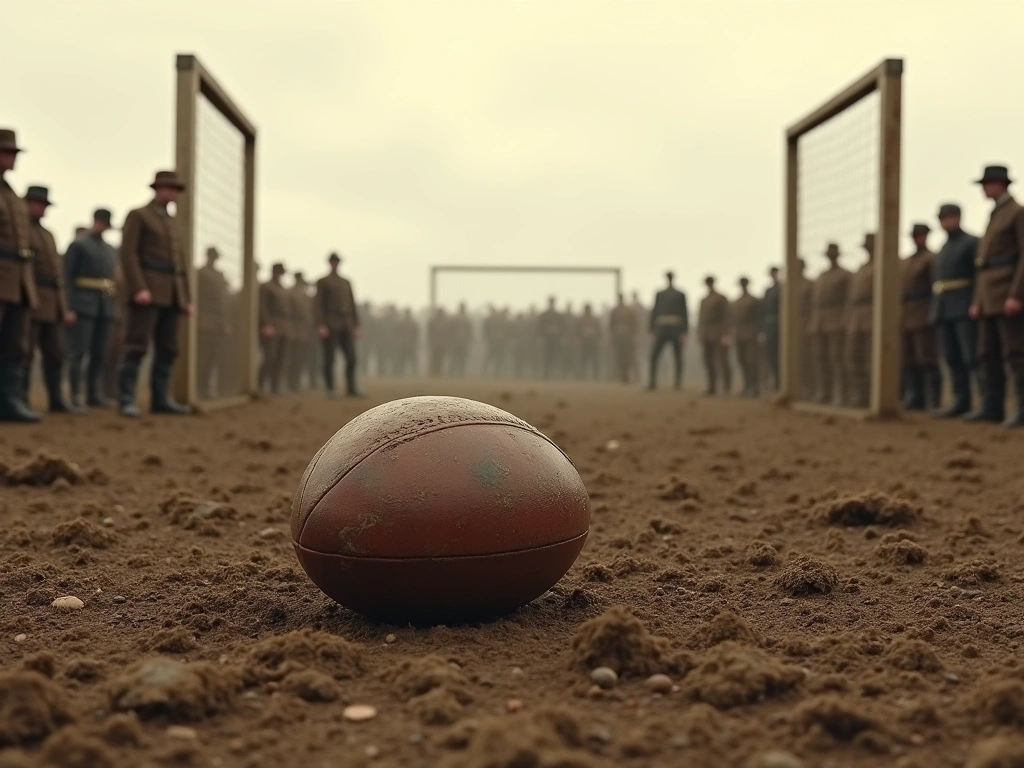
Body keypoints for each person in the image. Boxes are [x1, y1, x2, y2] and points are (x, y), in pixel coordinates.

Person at [117, 170, 193, 417]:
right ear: (158, 189)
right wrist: (139, 287)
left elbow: (180, 264)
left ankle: (160, 399)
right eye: (169, 188)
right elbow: (128, 254)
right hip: (147, 291)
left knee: (168, 348)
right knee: (136, 345)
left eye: (176, 189)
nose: (173, 193)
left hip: (171, 294)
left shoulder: (170, 223)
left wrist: (185, 298)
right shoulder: (139, 215)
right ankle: (126, 399)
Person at [969, 165, 1024, 427]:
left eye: (986, 183)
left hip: (1006, 294)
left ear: (999, 184)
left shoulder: (1016, 213)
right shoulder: (994, 215)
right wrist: (978, 300)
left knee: (1015, 352)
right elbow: (983, 264)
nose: (983, 189)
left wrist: (1017, 294)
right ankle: (992, 406)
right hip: (989, 297)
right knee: (987, 353)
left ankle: (1022, 408)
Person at [21, 186, 75, 413]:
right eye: (37, 204)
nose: (42, 209)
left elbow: (58, 276)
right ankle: (20, 398)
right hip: (31, 301)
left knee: (56, 354)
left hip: (52, 304)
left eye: (44, 205)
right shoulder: (22, 232)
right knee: (24, 353)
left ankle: (56, 398)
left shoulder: (48, 235)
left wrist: (64, 308)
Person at [0, 129, 40, 422]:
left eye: (14, 153)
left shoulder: (11, 194)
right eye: (8, 152)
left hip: (18, 281)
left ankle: (9, 402)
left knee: (15, 343)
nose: (13, 158)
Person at [931, 203, 978, 418]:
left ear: (958, 218)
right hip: (944, 308)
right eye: (943, 218)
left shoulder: (971, 243)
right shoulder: (943, 249)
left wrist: (976, 302)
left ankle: (984, 401)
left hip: (964, 304)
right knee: (951, 357)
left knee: (971, 356)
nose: (946, 222)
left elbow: (978, 278)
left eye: (949, 217)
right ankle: (961, 400)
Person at [900, 223, 939, 411]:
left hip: (924, 310)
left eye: (922, 235)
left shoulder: (931, 259)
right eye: (916, 235)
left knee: (927, 358)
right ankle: (915, 396)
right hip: (906, 313)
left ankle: (933, 400)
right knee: (908, 358)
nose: (918, 238)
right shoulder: (906, 262)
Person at [315, 252, 362, 397]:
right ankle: (330, 388)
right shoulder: (323, 281)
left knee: (352, 357)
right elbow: (318, 304)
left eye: (337, 261)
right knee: (329, 358)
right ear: (329, 263)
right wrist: (321, 324)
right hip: (330, 323)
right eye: (333, 261)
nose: (335, 264)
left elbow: (352, 304)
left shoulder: (346, 282)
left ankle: (351, 387)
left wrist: (356, 324)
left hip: (346, 323)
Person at [810, 243, 851, 405]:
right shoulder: (822, 276)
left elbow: (849, 299)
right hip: (820, 322)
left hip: (837, 319)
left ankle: (841, 394)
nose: (830, 257)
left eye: (833, 254)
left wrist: (845, 318)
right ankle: (824, 392)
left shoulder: (845, 275)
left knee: (838, 359)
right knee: (820, 358)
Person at [195, 246, 232, 399]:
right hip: (203, 320)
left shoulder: (220, 275)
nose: (213, 258)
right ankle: (198, 388)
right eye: (212, 256)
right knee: (202, 358)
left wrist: (225, 322)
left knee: (212, 358)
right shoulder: (200, 273)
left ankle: (206, 388)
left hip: (217, 322)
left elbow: (224, 300)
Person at [845, 233, 876, 409]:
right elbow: (851, 298)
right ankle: (860, 395)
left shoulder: (886, 266)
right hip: (857, 317)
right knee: (854, 357)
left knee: (873, 357)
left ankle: (874, 396)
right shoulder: (861, 269)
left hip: (874, 314)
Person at [647, 271, 688, 390]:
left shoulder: (680, 294)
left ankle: (678, 383)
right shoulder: (659, 294)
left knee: (678, 356)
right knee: (654, 355)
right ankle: (652, 382)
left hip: (675, 329)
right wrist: (652, 330)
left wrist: (684, 331)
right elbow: (654, 311)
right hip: (662, 329)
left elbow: (684, 313)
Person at [258, 263, 290, 394]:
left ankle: (274, 387)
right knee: (269, 357)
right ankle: (259, 385)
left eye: (281, 272)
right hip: (271, 325)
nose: (280, 274)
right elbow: (262, 307)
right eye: (278, 271)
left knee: (280, 358)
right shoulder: (266, 287)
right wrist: (266, 324)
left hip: (282, 327)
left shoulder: (282, 289)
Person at [697, 275, 731, 395]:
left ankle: (727, 387)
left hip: (718, 332)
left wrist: (726, 334)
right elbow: (700, 319)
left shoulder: (721, 298)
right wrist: (700, 334)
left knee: (722, 361)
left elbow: (727, 317)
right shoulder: (704, 300)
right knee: (708, 361)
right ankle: (712, 387)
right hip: (706, 333)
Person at [731, 276, 762, 397]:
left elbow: (759, 318)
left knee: (751, 361)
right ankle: (746, 386)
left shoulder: (754, 300)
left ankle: (754, 387)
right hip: (739, 333)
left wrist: (759, 333)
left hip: (751, 332)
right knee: (742, 361)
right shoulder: (736, 302)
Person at [287, 271, 313, 392]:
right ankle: (290, 382)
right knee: (291, 357)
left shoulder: (305, 296)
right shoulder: (290, 293)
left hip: (303, 330)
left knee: (300, 358)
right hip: (293, 328)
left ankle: (296, 382)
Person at [609, 293, 637, 384]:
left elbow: (634, 324)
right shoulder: (615, 310)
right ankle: (620, 374)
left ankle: (626, 375)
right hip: (618, 337)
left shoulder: (628, 310)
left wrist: (633, 335)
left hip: (627, 337)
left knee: (627, 356)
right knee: (619, 357)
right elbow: (611, 325)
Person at [761, 267, 781, 391]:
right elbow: (763, 311)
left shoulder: (783, 288)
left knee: (781, 355)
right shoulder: (768, 291)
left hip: (780, 326)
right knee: (771, 355)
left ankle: (782, 381)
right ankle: (776, 381)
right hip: (770, 327)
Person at [577, 303, 602, 380]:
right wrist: (578, 340)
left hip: (593, 341)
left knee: (595, 358)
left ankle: (596, 374)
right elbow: (577, 330)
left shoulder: (594, 319)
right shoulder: (581, 319)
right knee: (584, 358)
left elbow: (599, 330)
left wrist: (599, 340)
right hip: (584, 341)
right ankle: (582, 374)